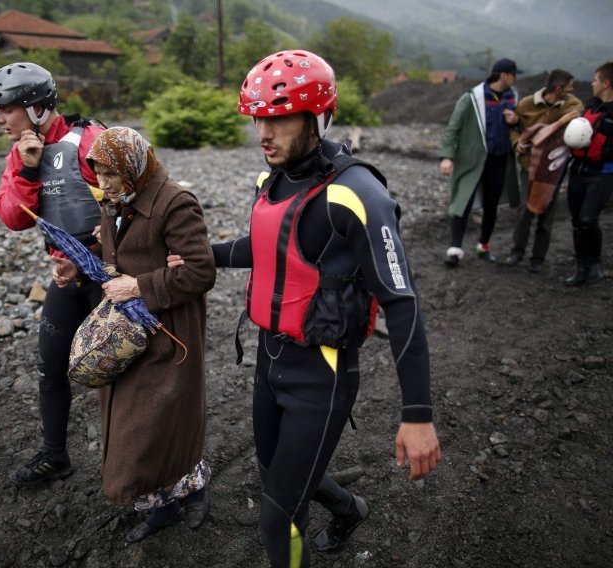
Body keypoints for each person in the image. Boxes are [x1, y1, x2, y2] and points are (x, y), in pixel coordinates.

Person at [172, 50, 441, 568]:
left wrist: (418, 416)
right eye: (258, 119)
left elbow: (401, 304)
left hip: (322, 373)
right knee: (276, 472)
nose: (263, 133)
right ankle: (350, 509)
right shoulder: (270, 182)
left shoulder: (358, 194)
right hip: (268, 359)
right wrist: (199, 256)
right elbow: (267, 247)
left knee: (277, 516)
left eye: (279, 118)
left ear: (317, 117)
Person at [51, 127, 217, 542]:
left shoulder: (176, 204)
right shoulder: (117, 201)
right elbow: (113, 255)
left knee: (164, 419)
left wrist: (141, 286)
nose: (102, 184)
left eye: (110, 174)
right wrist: (78, 265)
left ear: (134, 167)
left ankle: (192, 488)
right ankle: (161, 504)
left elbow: (200, 271)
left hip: (169, 333)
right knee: (137, 424)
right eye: (97, 174)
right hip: (126, 333)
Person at [0, 62, 107, 487]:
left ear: (36, 108)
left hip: (111, 279)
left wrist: (92, 252)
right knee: (50, 368)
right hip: (66, 279)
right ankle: (55, 457)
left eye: (7, 110)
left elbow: (137, 208)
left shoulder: (90, 140)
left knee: (122, 372)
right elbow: (14, 218)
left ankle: (138, 464)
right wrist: (29, 170)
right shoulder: (19, 154)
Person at [439, 57, 522, 266]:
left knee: (491, 205)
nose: (516, 78)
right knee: (463, 202)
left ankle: (483, 246)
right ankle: (454, 250)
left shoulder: (514, 97)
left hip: (499, 160)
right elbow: (453, 128)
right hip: (472, 160)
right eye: (514, 74)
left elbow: (521, 129)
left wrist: (516, 121)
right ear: (504, 75)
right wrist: (447, 156)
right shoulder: (472, 98)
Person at [502, 69, 583, 273]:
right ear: (558, 89)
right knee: (524, 211)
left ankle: (538, 257)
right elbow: (515, 130)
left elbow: (577, 115)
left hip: (553, 171)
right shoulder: (526, 105)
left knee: (547, 212)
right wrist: (516, 143)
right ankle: (517, 252)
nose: (572, 91)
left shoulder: (571, 105)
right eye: (569, 87)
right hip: (528, 167)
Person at [563, 61, 613, 286]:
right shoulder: (590, 108)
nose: (592, 84)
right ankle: (582, 268)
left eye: (595, 80)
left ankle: (595, 266)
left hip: (602, 173)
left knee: (587, 219)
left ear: (606, 83)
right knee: (577, 221)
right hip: (578, 172)